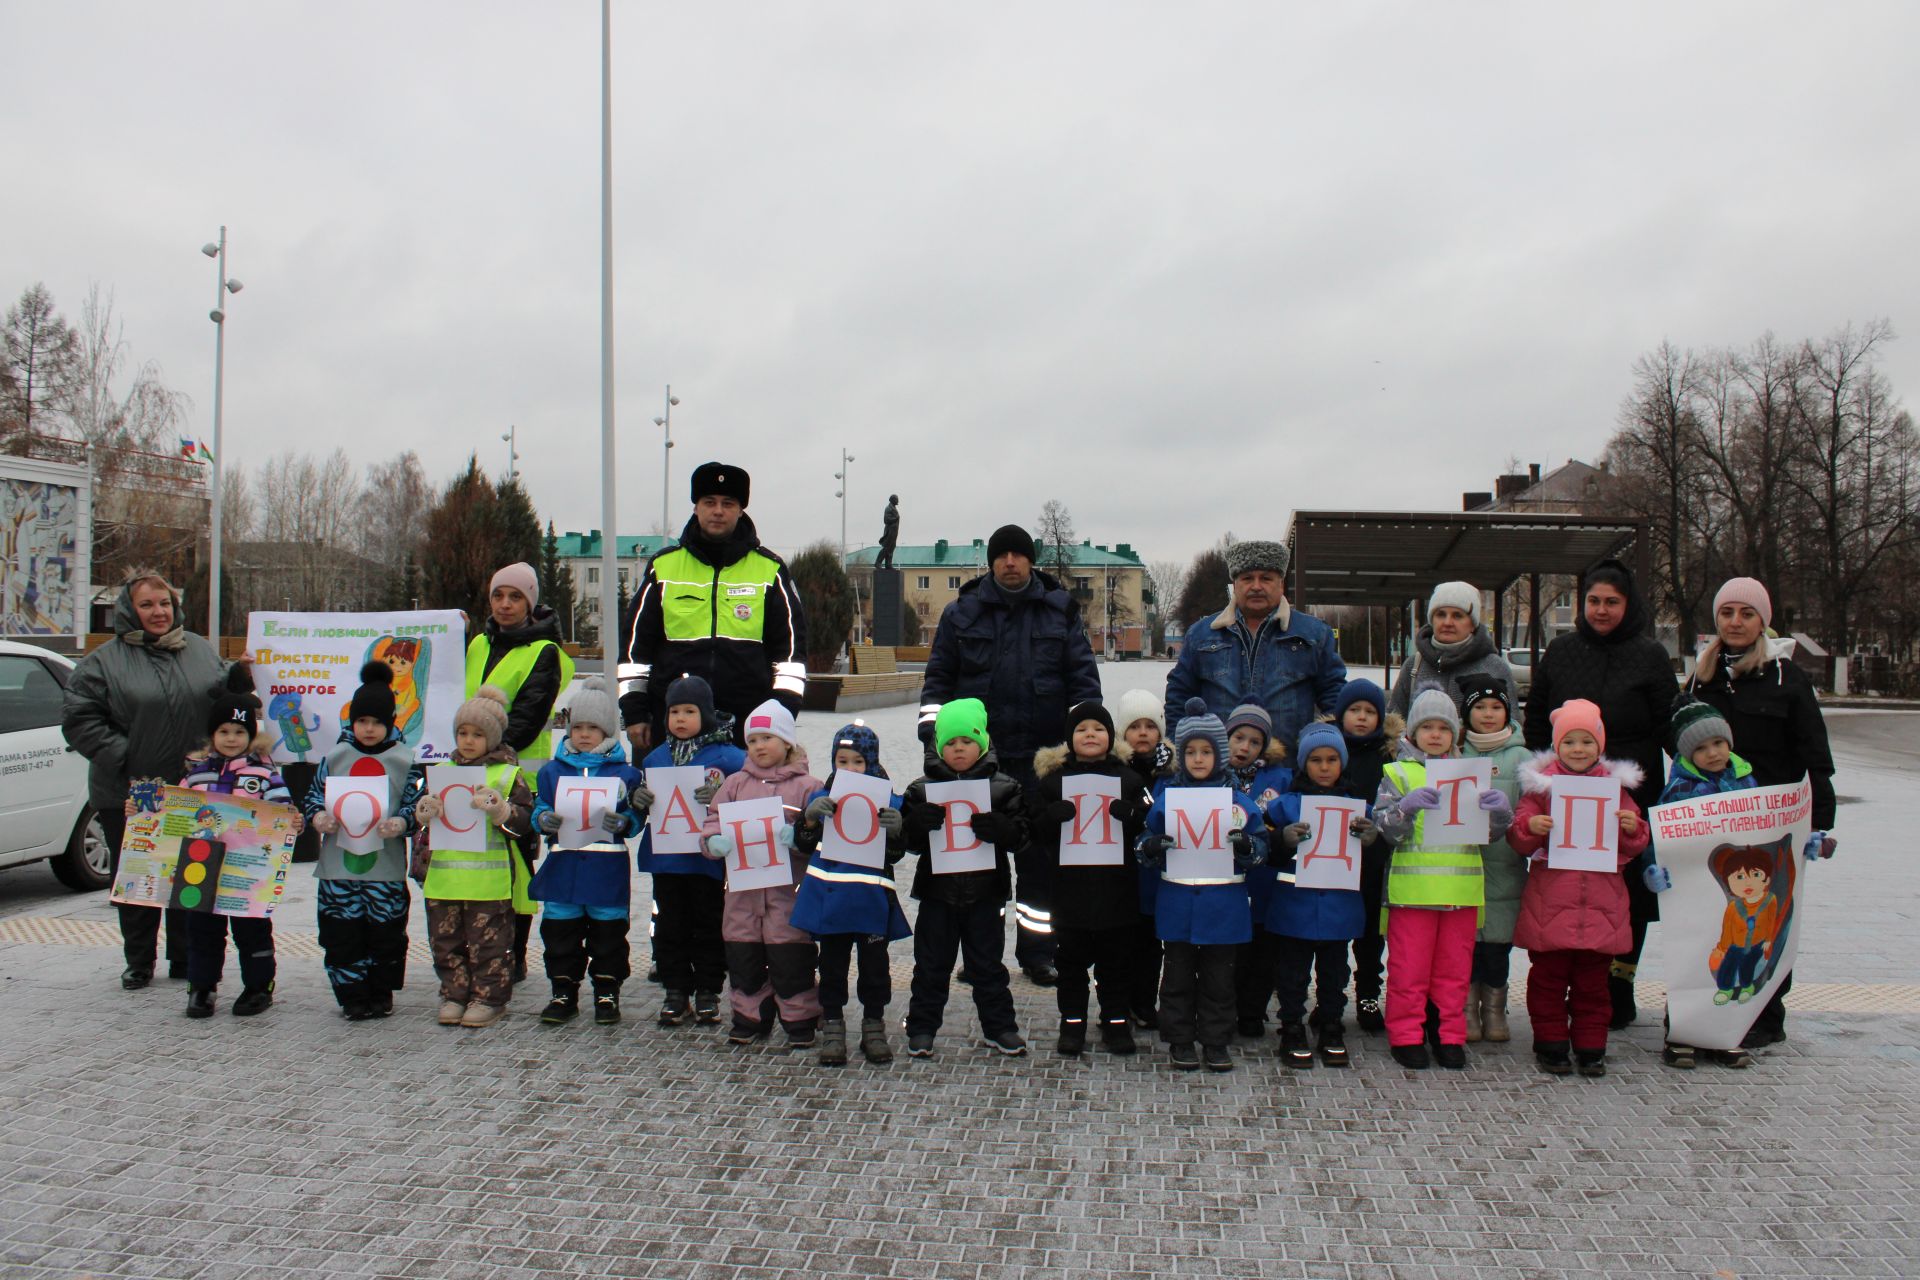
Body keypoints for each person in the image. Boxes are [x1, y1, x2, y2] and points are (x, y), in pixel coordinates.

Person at [917, 523, 1100, 985]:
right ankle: (983, 953)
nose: (1011, 562)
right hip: (981, 763)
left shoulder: (1060, 612)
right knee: (980, 862)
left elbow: (1082, 681)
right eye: (1003, 555)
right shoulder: (962, 614)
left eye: (1020, 554)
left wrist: (1080, 746)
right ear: (992, 562)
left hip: (1042, 760)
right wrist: (932, 741)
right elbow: (939, 679)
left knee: (1039, 861)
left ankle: (1039, 952)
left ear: (1031, 560)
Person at [1679, 577, 1837, 1049]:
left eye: (1746, 614)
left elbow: (1816, 756)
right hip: (1713, 823)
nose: (1735, 622)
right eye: (1727, 612)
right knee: (1716, 920)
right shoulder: (1700, 677)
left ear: (1763, 621)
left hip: (1772, 823)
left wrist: (1822, 823)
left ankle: (1765, 1016)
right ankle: (1704, 1007)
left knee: (1768, 918)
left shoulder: (1787, 678)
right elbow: (1681, 744)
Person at [1523, 558, 1674, 1029]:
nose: (1601, 610)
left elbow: (1669, 721)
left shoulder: (1650, 655)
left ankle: (1618, 983)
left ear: (1628, 605)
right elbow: (1536, 722)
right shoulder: (1562, 651)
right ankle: (1567, 982)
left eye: (1612, 602)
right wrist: (1540, 777)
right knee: (1571, 886)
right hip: (1567, 792)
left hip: (1630, 788)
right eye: (1593, 601)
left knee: (1628, 890)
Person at [62, 572, 227, 989]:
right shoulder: (103, 662)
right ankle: (138, 960)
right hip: (128, 792)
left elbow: (222, 702)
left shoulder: (201, 651)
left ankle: (185, 957)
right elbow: (79, 719)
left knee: (190, 871)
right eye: (148, 605)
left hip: (192, 789)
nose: (159, 612)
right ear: (128, 611)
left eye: (165, 604)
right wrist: (126, 757)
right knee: (137, 877)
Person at [618, 461, 807, 750]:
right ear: (696, 507)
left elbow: (790, 656)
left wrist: (780, 715)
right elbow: (635, 651)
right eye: (709, 502)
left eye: (728, 503)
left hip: (748, 727)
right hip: (671, 724)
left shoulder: (770, 570)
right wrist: (634, 712)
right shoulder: (663, 567)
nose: (718, 510)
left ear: (741, 510)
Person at [1507, 699, 1650, 1077]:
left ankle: (1590, 1045)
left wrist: (1632, 828)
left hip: (1601, 905)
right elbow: (1519, 833)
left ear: (1600, 746)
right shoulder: (1541, 789)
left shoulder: (1615, 789)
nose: (1578, 750)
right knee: (1547, 981)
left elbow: (1635, 843)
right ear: (1557, 747)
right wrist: (1531, 827)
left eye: (1587, 741)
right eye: (1569, 742)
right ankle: (1551, 1043)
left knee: (1593, 985)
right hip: (1552, 902)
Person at [1372, 689, 1512, 1070]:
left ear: (1455, 734)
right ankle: (1406, 1035)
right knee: (1409, 971)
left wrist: (1500, 814)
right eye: (1426, 727)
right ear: (1412, 733)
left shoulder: (1469, 775)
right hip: (1412, 896)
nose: (1435, 735)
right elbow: (1384, 830)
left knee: (1453, 974)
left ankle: (1449, 1036)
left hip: (1460, 895)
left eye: (1443, 728)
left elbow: (1490, 835)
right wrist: (1404, 808)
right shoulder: (1397, 773)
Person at [1136, 698, 1267, 1073]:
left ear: (1220, 755)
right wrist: (1150, 847)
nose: (1197, 759)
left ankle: (1215, 1040)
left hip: (1223, 911)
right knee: (1175, 977)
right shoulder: (1165, 800)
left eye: (1206, 751)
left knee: (1219, 982)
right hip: (1178, 908)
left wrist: (1246, 847)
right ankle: (1179, 1039)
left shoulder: (1239, 804)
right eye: (1190, 751)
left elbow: (1260, 849)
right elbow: (1144, 844)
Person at [165, 665, 298, 1018]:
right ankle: (202, 989)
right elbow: (173, 812)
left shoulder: (264, 773)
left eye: (239, 731)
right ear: (212, 734)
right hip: (201, 865)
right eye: (223, 731)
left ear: (250, 735)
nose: (231, 738)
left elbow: (283, 811)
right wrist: (143, 810)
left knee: (252, 930)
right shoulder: (196, 773)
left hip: (248, 868)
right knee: (203, 932)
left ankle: (258, 987)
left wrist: (292, 821)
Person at [465, 561, 576, 984]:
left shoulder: (543, 652)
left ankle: (512, 955)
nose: (506, 604)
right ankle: (477, 945)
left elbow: (527, 718)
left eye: (516, 597)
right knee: (474, 864)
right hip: (468, 771)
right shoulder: (477, 644)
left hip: (518, 778)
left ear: (531, 603)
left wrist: (475, 740)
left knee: (515, 869)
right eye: (498, 595)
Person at [900, 698, 1029, 1058]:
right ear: (939, 747)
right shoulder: (921, 789)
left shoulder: (1004, 787)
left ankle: (1000, 1027)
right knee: (930, 965)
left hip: (985, 895)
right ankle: (922, 1027)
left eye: (967, 741)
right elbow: (904, 843)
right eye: (951, 743)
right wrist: (915, 825)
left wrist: (1003, 829)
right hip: (937, 895)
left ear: (982, 744)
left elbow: (1023, 836)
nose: (959, 749)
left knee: (988, 966)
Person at [699, 700, 825, 1049]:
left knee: (792, 962)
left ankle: (800, 1020)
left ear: (786, 742)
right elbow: (711, 822)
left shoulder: (808, 786)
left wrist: (799, 839)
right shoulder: (734, 785)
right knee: (744, 960)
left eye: (767, 737)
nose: (759, 746)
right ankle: (749, 1017)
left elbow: (821, 835)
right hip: (741, 897)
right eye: (753, 740)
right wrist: (714, 842)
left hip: (789, 895)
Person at [303, 663, 425, 1020]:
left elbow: (417, 805)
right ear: (351, 723)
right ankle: (351, 994)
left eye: (376, 722)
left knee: (386, 932)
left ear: (389, 722)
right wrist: (318, 817)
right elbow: (313, 796)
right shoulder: (334, 758)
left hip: (384, 870)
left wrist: (402, 821)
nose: (368, 729)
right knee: (341, 933)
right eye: (361, 722)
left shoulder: (405, 761)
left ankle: (381, 989)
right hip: (338, 869)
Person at [1027, 701, 1149, 1057]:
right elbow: (1034, 830)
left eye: (1098, 729)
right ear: (1069, 739)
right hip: (1070, 891)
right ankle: (1073, 1021)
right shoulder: (1053, 782)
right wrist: (1051, 817)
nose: (1090, 735)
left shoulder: (1129, 779)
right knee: (1071, 964)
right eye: (1081, 730)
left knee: (1116, 963)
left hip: (1117, 891)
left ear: (1110, 738)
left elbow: (1151, 819)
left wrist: (1133, 816)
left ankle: (1114, 1021)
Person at [1645, 697, 1759, 1069]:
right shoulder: (1679, 789)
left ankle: (1726, 1034)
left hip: (1738, 896)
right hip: (1694, 892)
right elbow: (1660, 837)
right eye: (1700, 747)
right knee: (1693, 960)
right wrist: (1653, 866)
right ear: (1686, 753)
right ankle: (1681, 1033)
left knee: (1736, 958)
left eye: (1718, 744)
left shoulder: (1747, 782)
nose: (1712, 753)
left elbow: (1768, 826)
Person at [409, 686, 532, 1029]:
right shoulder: (441, 771)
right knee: (445, 942)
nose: (468, 740)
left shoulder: (506, 774)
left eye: (477, 734)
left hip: (487, 882)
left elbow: (524, 824)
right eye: (462, 733)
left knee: (488, 945)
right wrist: (424, 811)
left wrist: (502, 811)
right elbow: (420, 816)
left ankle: (489, 998)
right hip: (443, 878)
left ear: (492, 738)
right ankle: (454, 993)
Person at [791, 721, 911, 1065]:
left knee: (875, 967)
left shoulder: (888, 798)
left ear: (871, 762)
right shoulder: (822, 797)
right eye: (842, 761)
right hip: (831, 899)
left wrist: (896, 832)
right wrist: (810, 820)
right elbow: (803, 844)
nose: (849, 769)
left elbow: (895, 855)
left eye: (857, 762)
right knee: (831, 966)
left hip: (872, 899)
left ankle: (873, 1025)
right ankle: (833, 1025)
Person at [1163, 539, 1347, 762]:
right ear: (1235, 583)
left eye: (1266, 578)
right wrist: (1180, 752)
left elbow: (1334, 697)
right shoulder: (1201, 635)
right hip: (1216, 774)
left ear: (1281, 583)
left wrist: (1328, 749)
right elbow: (1178, 696)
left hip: (1288, 773)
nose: (1257, 586)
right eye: (1247, 578)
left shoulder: (1314, 634)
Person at [1264, 722, 1379, 1069]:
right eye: (1316, 760)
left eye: (1332, 759)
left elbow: (1372, 857)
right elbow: (1266, 851)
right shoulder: (1284, 806)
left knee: (1334, 973)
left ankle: (1331, 1024)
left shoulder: (1358, 809)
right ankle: (1292, 1026)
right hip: (1294, 906)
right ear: (1304, 764)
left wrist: (1371, 839)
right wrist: (1282, 840)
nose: (1325, 767)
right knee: (1292, 974)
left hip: (1339, 908)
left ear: (1342, 763)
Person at [529, 679, 644, 1027]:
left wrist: (623, 821)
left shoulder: (625, 774)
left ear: (607, 730)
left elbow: (636, 819)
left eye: (592, 727)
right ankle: (563, 991)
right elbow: (540, 807)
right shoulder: (551, 771)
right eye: (577, 726)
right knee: (559, 934)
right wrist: (543, 819)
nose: (582, 734)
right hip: (563, 869)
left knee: (608, 936)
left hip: (605, 872)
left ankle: (607, 991)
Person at [631, 674, 743, 1029]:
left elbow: (751, 800)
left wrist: (724, 796)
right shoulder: (655, 759)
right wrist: (639, 800)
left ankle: (708, 990)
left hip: (709, 862)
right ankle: (675, 989)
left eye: (689, 711)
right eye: (674, 711)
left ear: (707, 714)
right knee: (669, 926)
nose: (680, 719)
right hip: (667, 861)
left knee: (710, 924)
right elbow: (641, 808)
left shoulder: (730, 758)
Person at [1456, 674, 1530, 1043]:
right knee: (1466, 945)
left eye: (1496, 707)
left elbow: (1534, 807)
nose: (1488, 714)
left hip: (1505, 867)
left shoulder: (1523, 757)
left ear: (1508, 711)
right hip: (1464, 866)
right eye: (1480, 707)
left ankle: (1495, 1009)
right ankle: (1468, 1010)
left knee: (1498, 947)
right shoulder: (1454, 754)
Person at [1329, 678, 1399, 1033]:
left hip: (1374, 859)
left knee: (1372, 934)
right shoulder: (1327, 753)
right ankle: (1333, 996)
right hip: (1335, 860)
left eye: (1369, 712)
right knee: (1336, 932)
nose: (1361, 718)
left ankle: (1369, 993)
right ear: (1341, 715)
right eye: (1354, 710)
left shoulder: (1389, 757)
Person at [1222, 703, 1291, 1040]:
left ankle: (1252, 1010)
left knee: (1262, 953)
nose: (1244, 747)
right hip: (1226, 883)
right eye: (1238, 738)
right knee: (1228, 953)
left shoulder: (1279, 778)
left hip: (1264, 882)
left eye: (1253, 741)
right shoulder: (1214, 773)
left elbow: (1285, 821)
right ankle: (1224, 1007)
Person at [1114, 688, 1171, 1030]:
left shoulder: (1172, 772)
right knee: (1121, 944)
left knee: (1151, 946)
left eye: (1151, 725)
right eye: (1135, 726)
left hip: (1157, 877)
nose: (1144, 732)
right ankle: (1118, 1001)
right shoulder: (1113, 772)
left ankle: (1145, 1002)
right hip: (1120, 875)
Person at [1385, 582, 1515, 719]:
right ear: (1432, 620)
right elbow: (1394, 725)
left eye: (1457, 616)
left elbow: (1513, 728)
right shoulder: (1413, 665)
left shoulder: (1495, 667)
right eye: (1441, 614)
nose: (1447, 623)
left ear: (1472, 624)